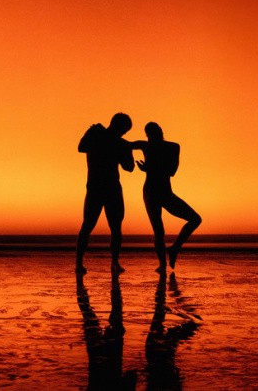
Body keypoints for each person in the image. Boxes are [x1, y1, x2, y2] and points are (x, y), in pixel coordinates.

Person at [131, 122, 202, 272]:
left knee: (195, 219)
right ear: (147, 136)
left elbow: (172, 171)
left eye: (153, 132)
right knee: (159, 231)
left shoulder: (173, 147)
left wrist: (149, 168)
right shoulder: (145, 146)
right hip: (150, 192)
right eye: (148, 134)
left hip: (165, 192)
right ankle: (162, 265)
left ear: (161, 131)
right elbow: (125, 145)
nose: (151, 136)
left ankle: (174, 248)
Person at [75, 113, 134, 275]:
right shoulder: (96, 133)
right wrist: (112, 143)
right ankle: (79, 263)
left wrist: (126, 149)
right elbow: (81, 147)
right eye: (122, 130)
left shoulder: (118, 142)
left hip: (112, 187)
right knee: (88, 225)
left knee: (115, 228)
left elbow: (129, 167)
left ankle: (114, 262)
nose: (122, 133)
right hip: (97, 186)